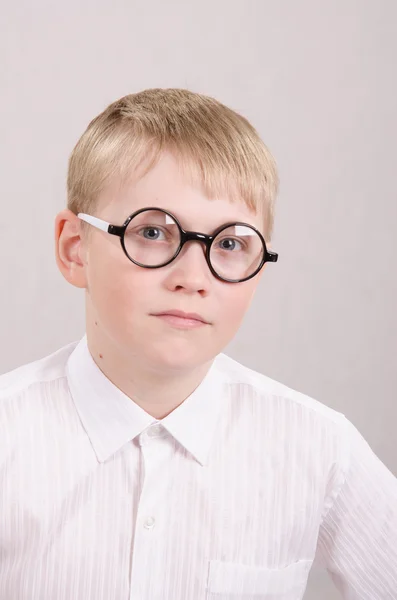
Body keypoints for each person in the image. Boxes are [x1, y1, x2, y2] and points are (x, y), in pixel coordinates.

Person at [0, 88, 396, 600]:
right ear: (76, 249)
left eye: (230, 244)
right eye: (153, 232)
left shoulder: (319, 447)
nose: (194, 277)